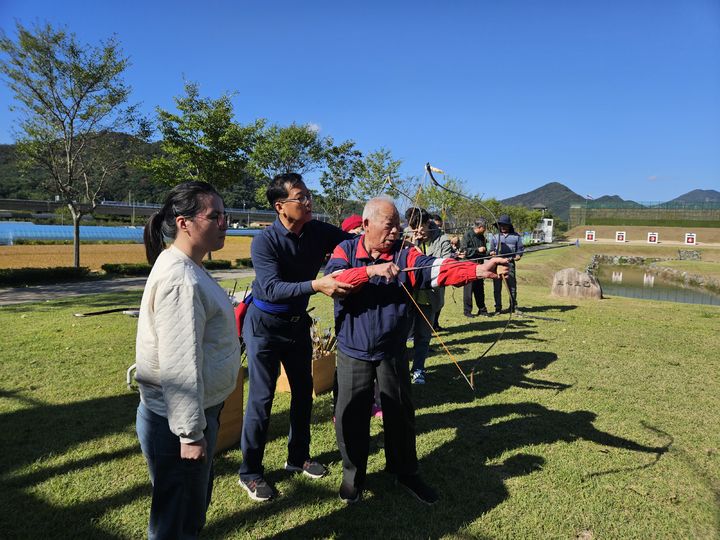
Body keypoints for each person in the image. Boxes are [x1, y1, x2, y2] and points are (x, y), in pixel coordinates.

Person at [325, 197, 508, 505]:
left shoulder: (405, 253)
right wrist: (371, 272)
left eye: (398, 224)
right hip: (353, 350)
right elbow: (334, 282)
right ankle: (352, 476)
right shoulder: (345, 250)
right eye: (389, 224)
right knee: (350, 416)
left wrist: (476, 271)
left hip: (392, 350)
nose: (396, 230)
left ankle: (405, 471)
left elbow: (435, 269)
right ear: (366, 225)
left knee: (400, 413)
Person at [135, 181, 241, 539]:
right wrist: (190, 433)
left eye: (225, 215)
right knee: (178, 521)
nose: (225, 222)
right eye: (215, 216)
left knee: (186, 509)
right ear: (184, 223)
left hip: (189, 416)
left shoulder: (186, 265)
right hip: (177, 424)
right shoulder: (181, 279)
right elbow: (179, 364)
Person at [239, 173, 353, 502]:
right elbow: (272, 288)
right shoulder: (265, 241)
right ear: (280, 206)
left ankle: (297, 457)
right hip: (264, 325)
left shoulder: (317, 231)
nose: (308, 202)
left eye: (308, 196)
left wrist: (380, 238)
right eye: (300, 198)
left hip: (297, 325)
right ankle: (250, 472)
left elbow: (350, 243)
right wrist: (318, 284)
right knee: (261, 400)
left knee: (304, 392)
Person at [406, 207, 452, 384]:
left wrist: (419, 255)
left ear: (427, 223)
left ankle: (419, 369)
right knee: (400, 335)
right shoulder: (408, 238)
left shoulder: (442, 240)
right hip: (408, 297)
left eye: (420, 227)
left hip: (429, 297)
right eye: (412, 228)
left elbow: (444, 266)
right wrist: (414, 245)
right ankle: (401, 367)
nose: (417, 231)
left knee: (423, 337)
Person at [489, 214, 524, 313]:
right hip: (497, 265)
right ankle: (498, 308)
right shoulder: (495, 237)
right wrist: (491, 253)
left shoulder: (516, 237)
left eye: (505, 225)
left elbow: (520, 249)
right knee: (497, 287)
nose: (503, 227)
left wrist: (518, 256)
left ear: (509, 226)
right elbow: (491, 250)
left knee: (512, 286)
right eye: (501, 225)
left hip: (510, 264)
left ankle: (513, 307)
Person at [459, 218, 489, 317]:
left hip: (480, 265)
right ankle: (467, 311)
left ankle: (482, 310)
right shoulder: (467, 235)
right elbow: (463, 251)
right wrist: (477, 250)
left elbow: (484, 252)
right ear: (480, 227)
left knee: (480, 289)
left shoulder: (482, 237)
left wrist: (489, 253)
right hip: (469, 266)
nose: (485, 230)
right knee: (469, 289)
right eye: (485, 228)